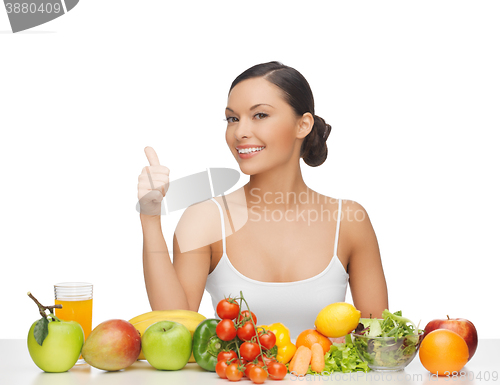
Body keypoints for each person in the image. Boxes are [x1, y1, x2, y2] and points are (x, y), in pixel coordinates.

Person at [137, 61, 388, 339]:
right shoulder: (205, 219)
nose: (240, 132)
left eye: (259, 115)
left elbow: (380, 341)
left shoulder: (350, 220)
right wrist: (150, 220)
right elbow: (176, 331)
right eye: (233, 119)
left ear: (302, 125)